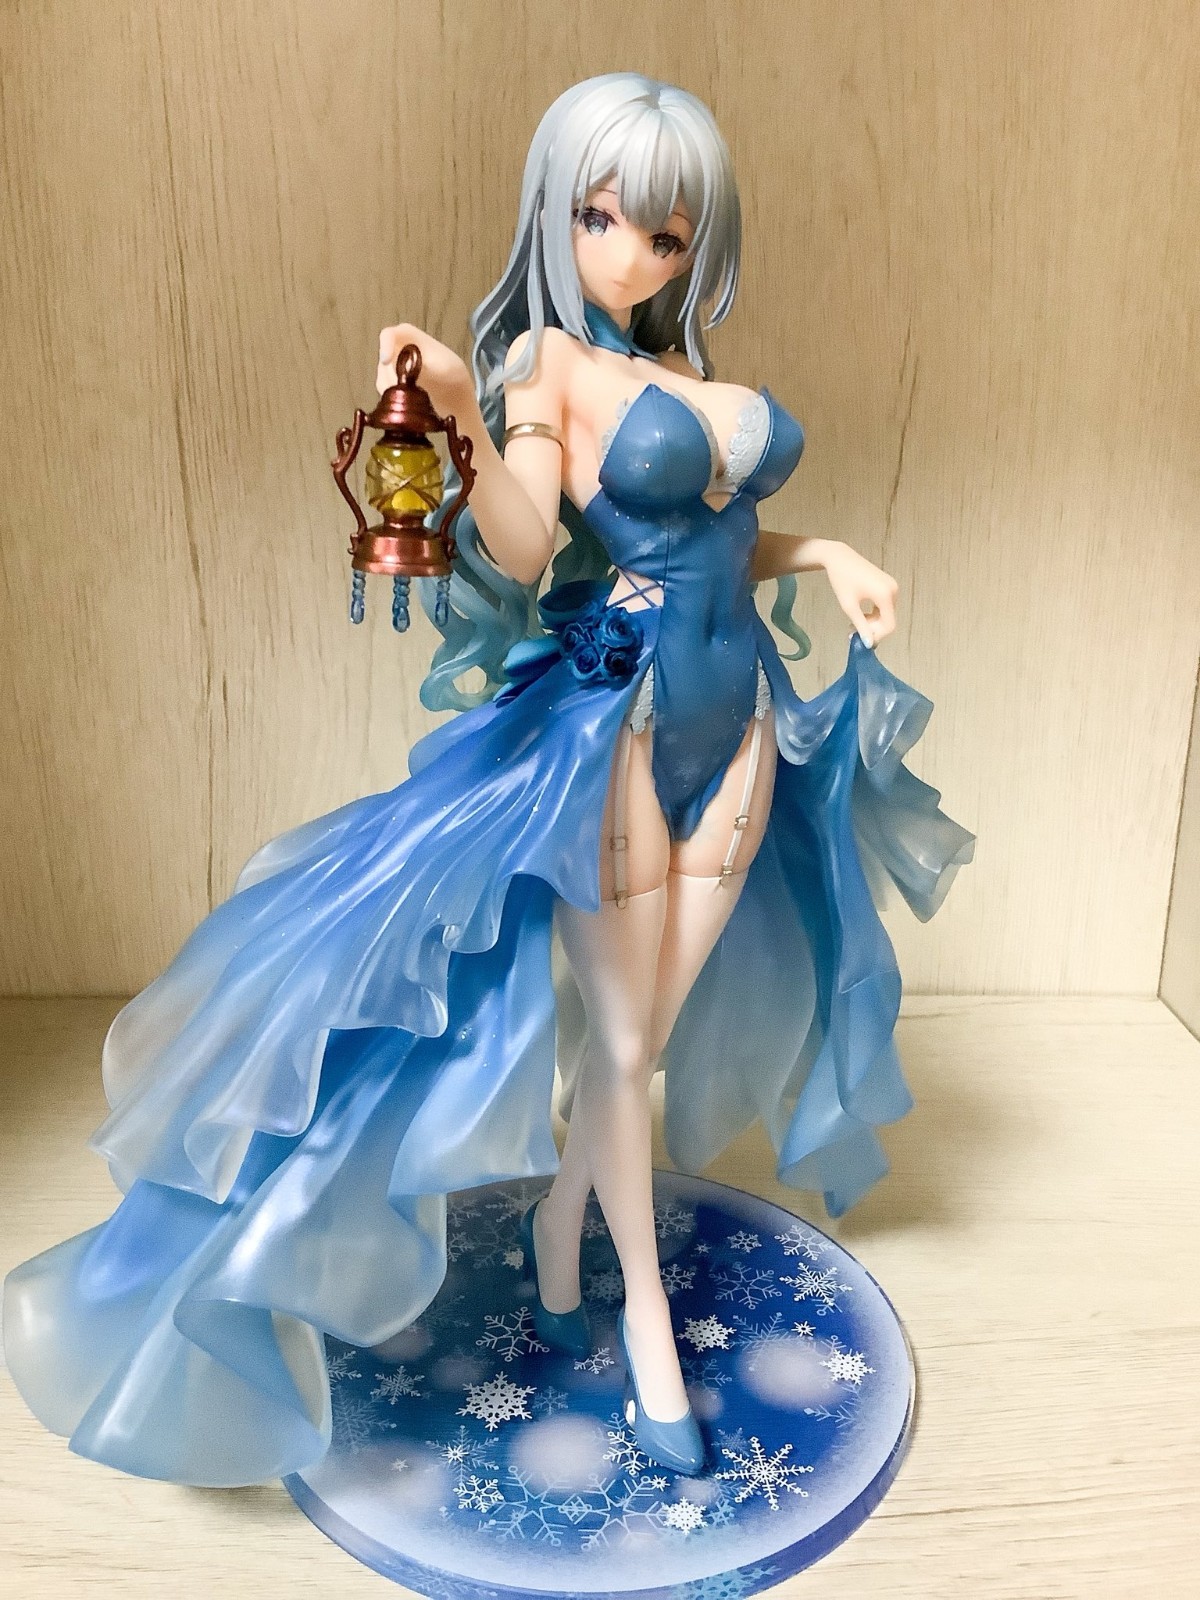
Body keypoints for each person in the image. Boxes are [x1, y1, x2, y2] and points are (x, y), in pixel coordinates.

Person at [3, 73, 973, 1486]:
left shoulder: (687, 377)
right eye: (603, 218)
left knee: (638, 1045)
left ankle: (558, 1228)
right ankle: (644, 1323)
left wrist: (824, 554)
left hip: (744, 722)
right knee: (623, 1052)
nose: (633, 254)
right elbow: (525, 546)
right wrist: (461, 410)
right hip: (625, 719)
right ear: (559, 215)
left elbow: (721, 539)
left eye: (666, 232)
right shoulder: (547, 369)